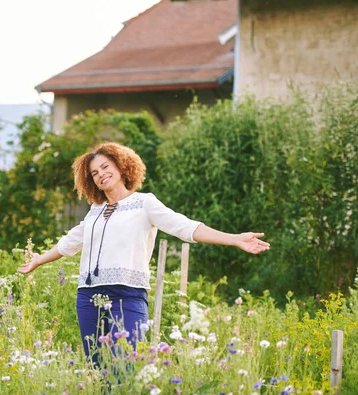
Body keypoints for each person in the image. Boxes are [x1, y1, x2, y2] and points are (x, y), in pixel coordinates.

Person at [17, 142, 270, 365]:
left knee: (124, 365)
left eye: (105, 167)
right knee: (97, 367)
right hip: (88, 296)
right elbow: (70, 242)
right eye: (94, 173)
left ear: (120, 166)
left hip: (127, 294)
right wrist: (38, 260)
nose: (101, 175)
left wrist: (234, 239)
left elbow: (184, 226)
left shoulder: (144, 203)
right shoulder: (95, 210)